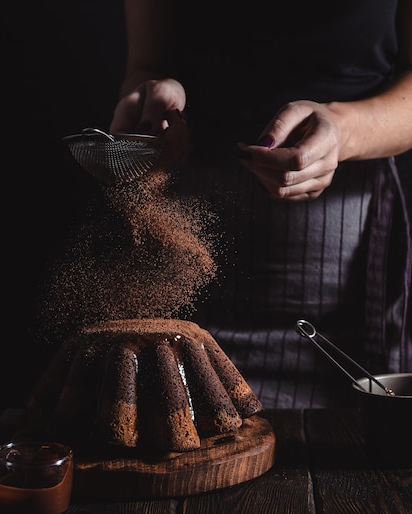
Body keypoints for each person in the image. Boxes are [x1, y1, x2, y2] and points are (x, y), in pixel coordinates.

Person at [109, 0, 412, 409]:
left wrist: (342, 130)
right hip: (178, 238)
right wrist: (152, 104)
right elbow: (146, 63)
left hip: (334, 248)